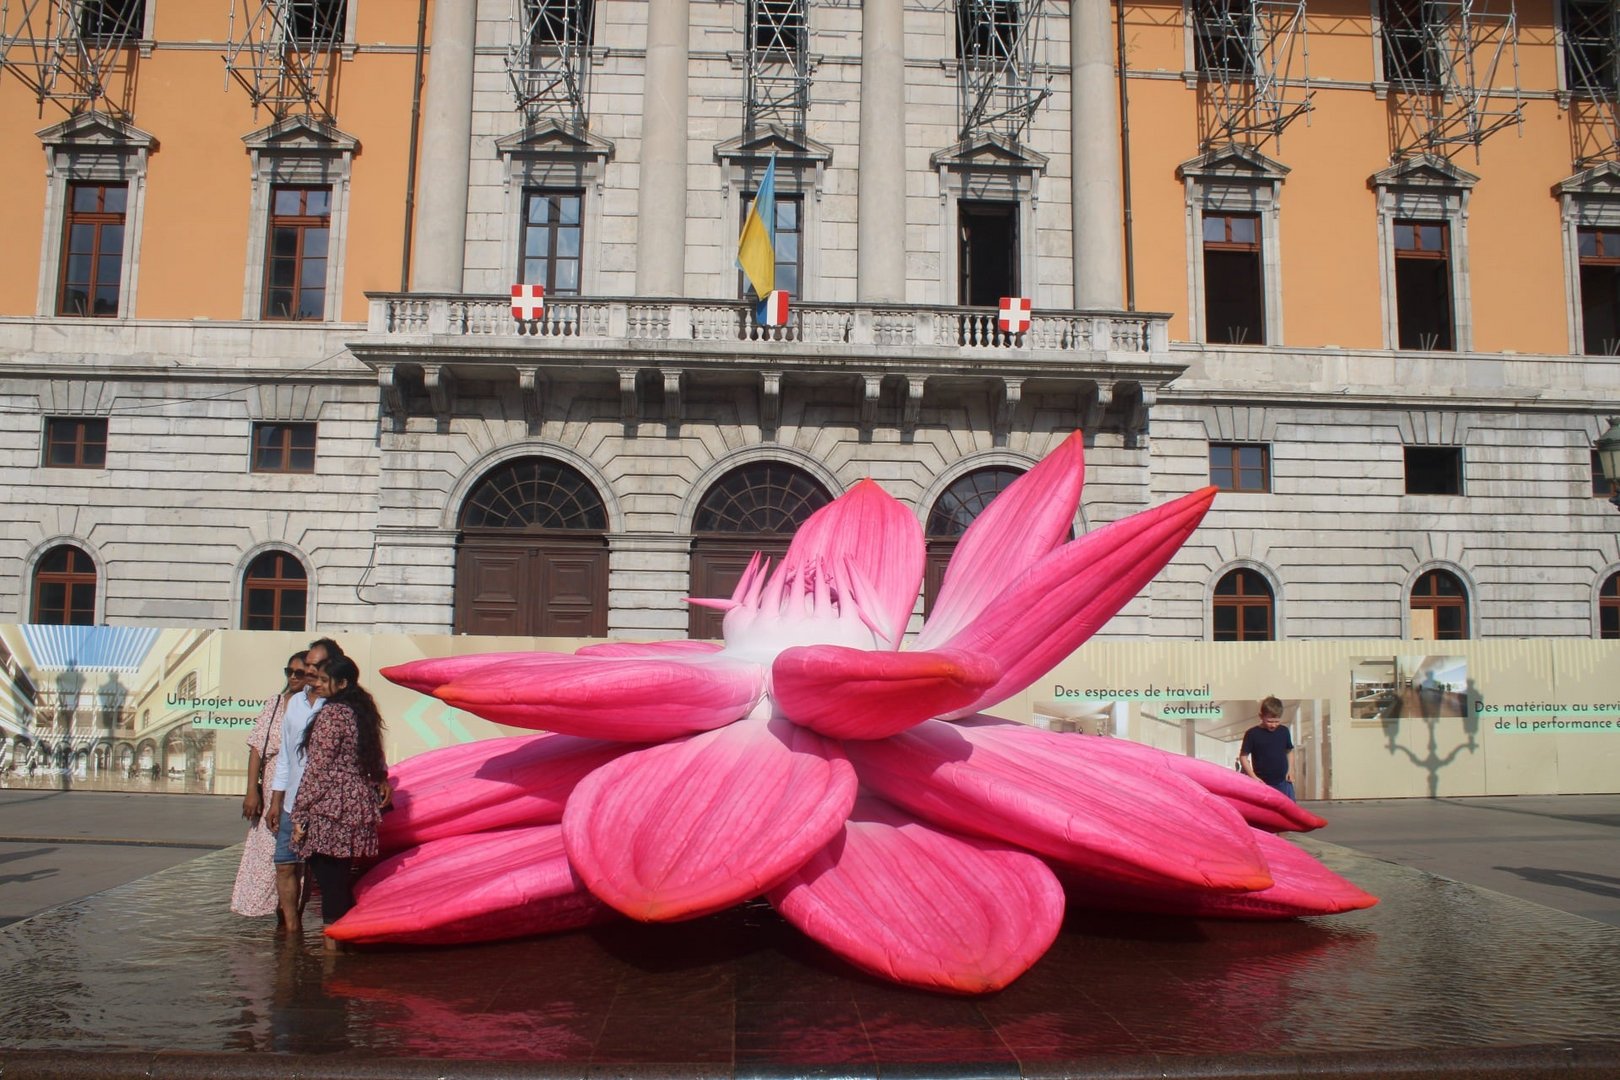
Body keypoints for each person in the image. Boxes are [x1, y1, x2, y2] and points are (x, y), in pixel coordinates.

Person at [290, 655, 389, 947]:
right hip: (354, 803)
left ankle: (333, 952)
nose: (316, 684)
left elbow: (318, 769)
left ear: (341, 683)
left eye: (322, 680)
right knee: (339, 879)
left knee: (331, 882)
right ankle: (347, 944)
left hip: (330, 806)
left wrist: (300, 813)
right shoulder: (360, 712)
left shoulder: (333, 714)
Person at [263, 637, 343, 931]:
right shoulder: (294, 702)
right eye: (306, 665)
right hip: (290, 802)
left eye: (316, 665)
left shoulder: (338, 704)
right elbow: (286, 755)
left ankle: (331, 935)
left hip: (325, 802)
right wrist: (275, 800)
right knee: (285, 865)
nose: (309, 671)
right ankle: (292, 931)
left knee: (325, 873)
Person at [229, 652, 309, 921]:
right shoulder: (275, 703)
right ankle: (279, 916)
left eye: (300, 672)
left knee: (299, 859)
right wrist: (251, 790)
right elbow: (256, 749)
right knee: (267, 853)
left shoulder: (315, 705)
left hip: (302, 786)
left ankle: (290, 917)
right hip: (273, 783)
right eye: (290, 672)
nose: (294, 678)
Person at [1238, 695, 1296, 801]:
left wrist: (1291, 770)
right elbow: (1243, 757)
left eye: (1277, 721)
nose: (1273, 725)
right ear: (1261, 716)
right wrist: (1253, 777)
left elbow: (1289, 751)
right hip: (1261, 783)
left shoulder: (1284, 731)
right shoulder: (1252, 734)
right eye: (1269, 721)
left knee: (1289, 813)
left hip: (1283, 782)